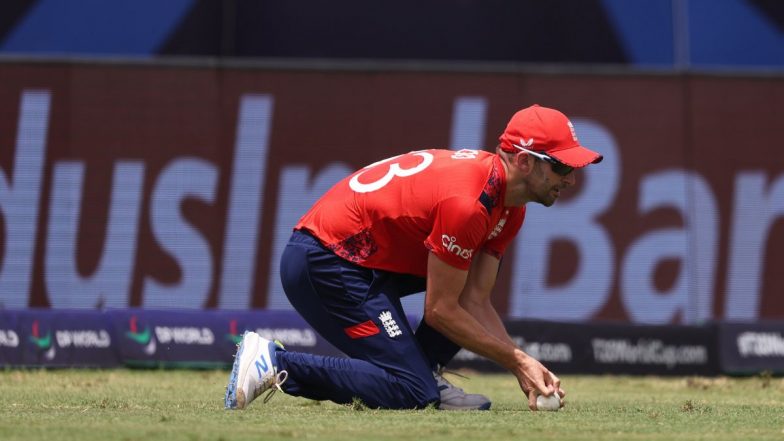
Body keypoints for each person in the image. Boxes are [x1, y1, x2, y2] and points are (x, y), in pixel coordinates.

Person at [224, 104, 603, 411]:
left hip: (362, 264)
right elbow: (440, 310)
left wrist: (523, 365)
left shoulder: (510, 208)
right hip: (326, 260)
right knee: (410, 391)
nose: (570, 179)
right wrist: (518, 361)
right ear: (523, 161)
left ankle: (424, 373)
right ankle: (275, 363)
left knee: (438, 337)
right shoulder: (471, 205)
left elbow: (474, 300)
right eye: (560, 167)